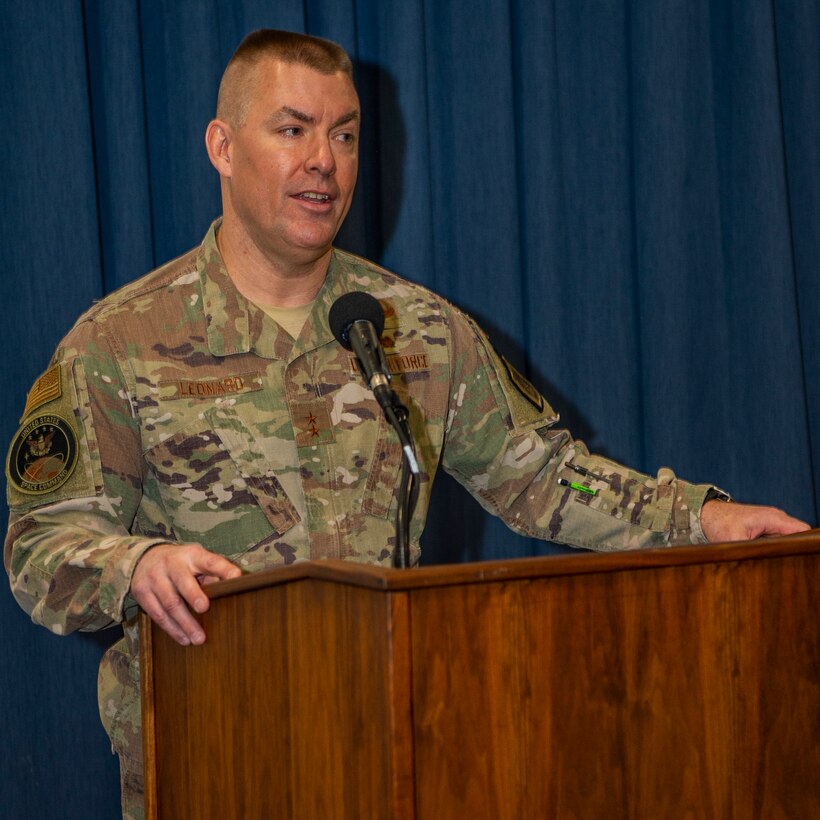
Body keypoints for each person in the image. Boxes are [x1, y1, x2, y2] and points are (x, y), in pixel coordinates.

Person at [4, 29, 808, 819]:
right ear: (221, 145)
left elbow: (540, 475)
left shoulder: (414, 329)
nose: (324, 159)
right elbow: (39, 548)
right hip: (211, 752)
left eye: (344, 134)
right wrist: (136, 564)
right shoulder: (118, 342)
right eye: (292, 129)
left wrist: (698, 517)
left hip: (389, 749)